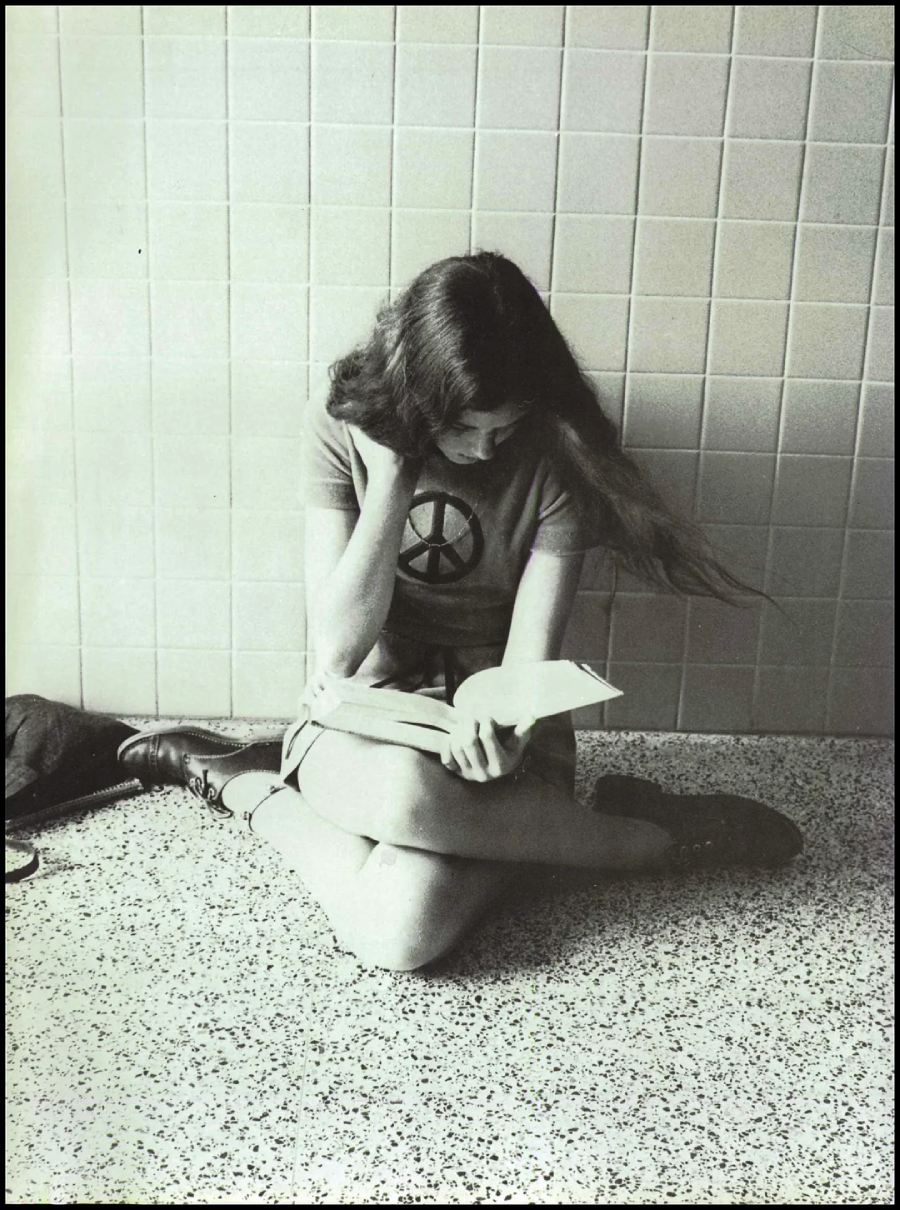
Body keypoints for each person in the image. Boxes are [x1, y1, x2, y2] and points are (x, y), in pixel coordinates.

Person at [119, 253, 802, 971]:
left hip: (496, 745)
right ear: (418, 401)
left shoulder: (559, 456)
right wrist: (391, 482)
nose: (483, 449)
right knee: (410, 794)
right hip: (363, 725)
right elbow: (335, 656)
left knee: (396, 935)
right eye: (465, 427)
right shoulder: (338, 427)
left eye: (503, 430)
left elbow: (528, 665)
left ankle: (246, 786)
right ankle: (640, 839)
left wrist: (507, 735)